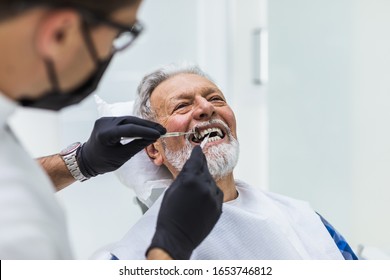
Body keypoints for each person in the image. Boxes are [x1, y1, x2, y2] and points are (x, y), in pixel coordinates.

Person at [0, 0, 223, 260]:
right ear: (60, 33)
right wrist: (168, 253)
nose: (206, 108)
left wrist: (81, 162)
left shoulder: (282, 210)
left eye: (217, 99)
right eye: (118, 36)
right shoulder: (17, 225)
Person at [94, 64, 359, 260]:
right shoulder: (130, 256)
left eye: (215, 99)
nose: (206, 108)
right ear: (154, 149)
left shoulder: (305, 220)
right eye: (182, 106)